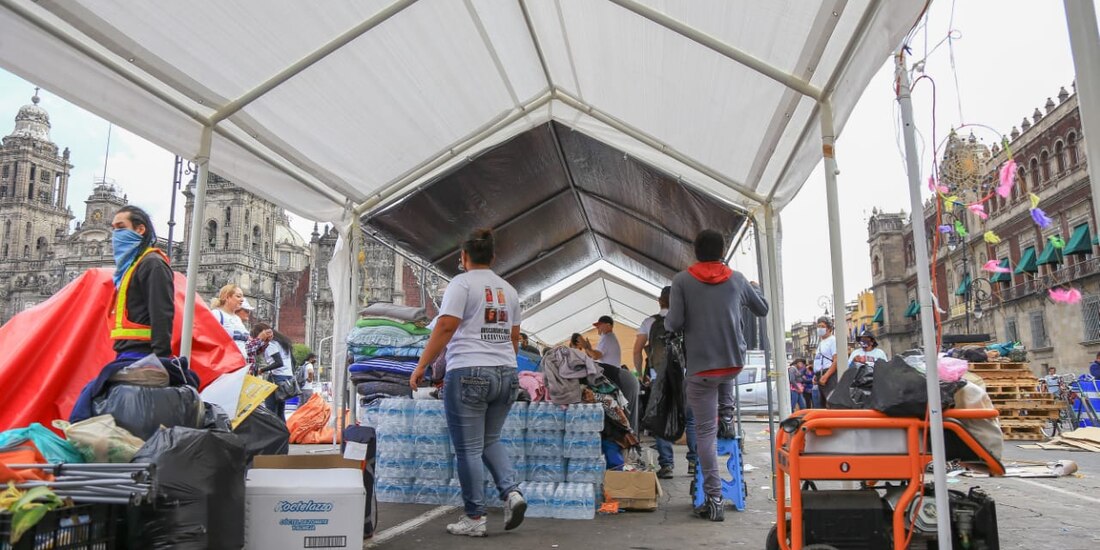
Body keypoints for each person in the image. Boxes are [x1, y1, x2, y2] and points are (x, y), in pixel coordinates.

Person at [409, 229, 526, 537]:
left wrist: (422, 366)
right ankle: (511, 493)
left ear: (463, 258)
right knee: (490, 440)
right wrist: (504, 365)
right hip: (506, 373)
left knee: (468, 450)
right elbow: (514, 339)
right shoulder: (509, 291)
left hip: (470, 372)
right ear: (493, 257)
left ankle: (475, 518)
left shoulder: (460, 284)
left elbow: (446, 326)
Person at [665, 229, 768, 522]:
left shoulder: (682, 280)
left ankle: (713, 498)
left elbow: (673, 323)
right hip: (733, 362)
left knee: (705, 433)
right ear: (722, 251)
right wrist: (754, 288)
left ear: (695, 251)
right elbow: (762, 309)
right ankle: (727, 416)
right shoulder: (736, 279)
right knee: (725, 379)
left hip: (701, 368)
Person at [71, 206, 196, 422]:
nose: (115, 235)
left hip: (143, 354)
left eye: (121, 227)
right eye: (114, 229)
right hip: (126, 353)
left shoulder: (153, 264)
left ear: (140, 229)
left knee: (85, 404)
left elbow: (162, 312)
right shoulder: (132, 266)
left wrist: (160, 360)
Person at [634, 286, 677, 479]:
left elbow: (637, 350)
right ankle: (694, 462)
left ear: (660, 301)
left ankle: (667, 464)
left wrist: (640, 373)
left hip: (657, 375)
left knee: (661, 417)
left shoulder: (649, 322)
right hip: (683, 375)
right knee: (691, 419)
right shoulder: (684, 320)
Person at [256, 325, 296, 420]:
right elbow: (293, 362)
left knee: (271, 408)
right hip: (286, 377)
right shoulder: (283, 344)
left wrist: (261, 370)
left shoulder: (271, 345)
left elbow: (278, 362)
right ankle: (284, 433)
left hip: (276, 377)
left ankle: (273, 432)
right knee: (280, 410)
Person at [211, 284, 249, 358]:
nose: (242, 300)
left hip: (241, 364)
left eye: (242, 297)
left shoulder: (237, 318)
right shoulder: (217, 314)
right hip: (225, 364)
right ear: (227, 297)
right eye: (238, 296)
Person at [812, 317, 838, 409]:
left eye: (822, 326)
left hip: (828, 375)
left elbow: (836, 360)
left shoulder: (833, 340)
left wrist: (826, 376)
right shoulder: (821, 343)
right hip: (821, 375)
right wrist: (816, 375)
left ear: (829, 329)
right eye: (818, 326)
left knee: (830, 402)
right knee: (821, 404)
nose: (819, 328)